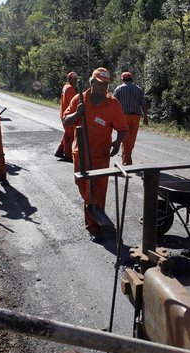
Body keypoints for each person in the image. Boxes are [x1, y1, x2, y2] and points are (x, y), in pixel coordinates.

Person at [63, 67, 128, 239]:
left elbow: (122, 129)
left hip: (100, 154)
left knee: (98, 190)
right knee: (83, 185)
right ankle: (93, 211)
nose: (103, 88)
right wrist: (78, 113)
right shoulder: (79, 99)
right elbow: (65, 121)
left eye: (105, 84)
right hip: (81, 153)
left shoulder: (113, 104)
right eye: (99, 84)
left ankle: (94, 226)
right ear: (92, 83)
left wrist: (117, 142)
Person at [112, 71, 148, 165]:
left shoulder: (119, 89)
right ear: (131, 79)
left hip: (124, 117)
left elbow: (113, 103)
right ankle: (127, 159)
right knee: (132, 139)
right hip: (136, 117)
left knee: (125, 139)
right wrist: (145, 117)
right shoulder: (138, 89)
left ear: (122, 79)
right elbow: (143, 104)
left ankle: (126, 160)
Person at [55, 71, 78, 161]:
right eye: (74, 79)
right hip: (68, 114)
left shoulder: (66, 86)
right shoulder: (70, 89)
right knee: (70, 135)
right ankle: (68, 156)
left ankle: (60, 151)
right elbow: (73, 102)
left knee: (67, 133)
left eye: (76, 79)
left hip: (64, 113)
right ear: (70, 79)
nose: (76, 80)